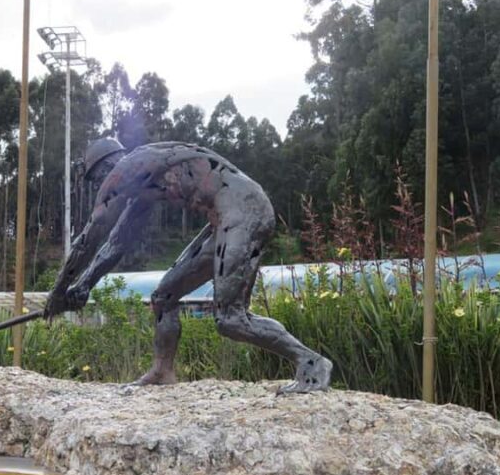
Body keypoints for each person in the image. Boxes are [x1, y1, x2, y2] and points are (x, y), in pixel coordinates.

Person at [44, 138, 332, 393]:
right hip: (228, 217)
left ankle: (311, 362)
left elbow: (88, 240)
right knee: (164, 297)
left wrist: (58, 293)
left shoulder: (127, 169)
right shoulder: (144, 182)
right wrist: (83, 286)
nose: (101, 186)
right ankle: (162, 371)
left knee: (231, 319)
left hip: (244, 212)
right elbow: (117, 243)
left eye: (97, 179)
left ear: (106, 167)